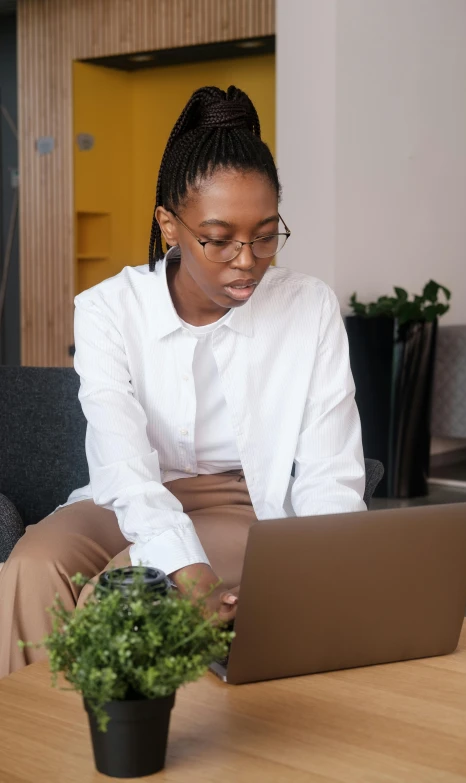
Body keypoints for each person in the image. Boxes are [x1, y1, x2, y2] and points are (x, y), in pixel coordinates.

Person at [0, 85, 366, 677]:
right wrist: (186, 567)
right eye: (219, 239)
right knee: (31, 565)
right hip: (133, 492)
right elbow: (121, 461)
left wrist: (322, 567)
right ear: (169, 225)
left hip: (246, 502)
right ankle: (33, 746)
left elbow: (331, 468)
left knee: (121, 592)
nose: (247, 260)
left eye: (267, 235)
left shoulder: (308, 306)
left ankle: (126, 749)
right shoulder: (108, 309)